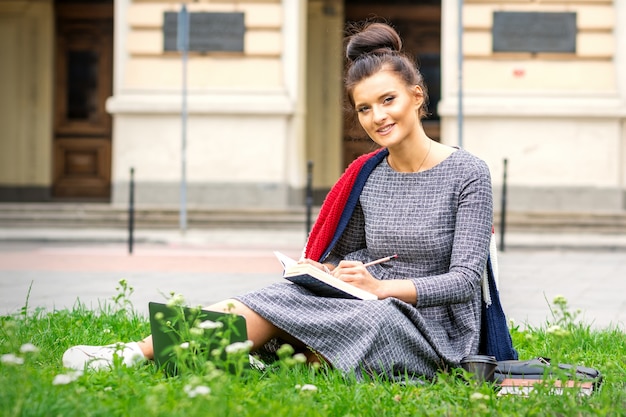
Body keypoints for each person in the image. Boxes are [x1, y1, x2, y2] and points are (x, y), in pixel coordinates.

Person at [63, 21, 498, 380]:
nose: (378, 117)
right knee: (277, 294)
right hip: (367, 300)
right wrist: (325, 270)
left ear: (417, 96)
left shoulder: (468, 173)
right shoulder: (370, 175)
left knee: (371, 320)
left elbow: (463, 281)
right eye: (364, 108)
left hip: (434, 327)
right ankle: (133, 353)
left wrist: (383, 289)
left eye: (388, 100)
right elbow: (350, 256)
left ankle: (256, 353)